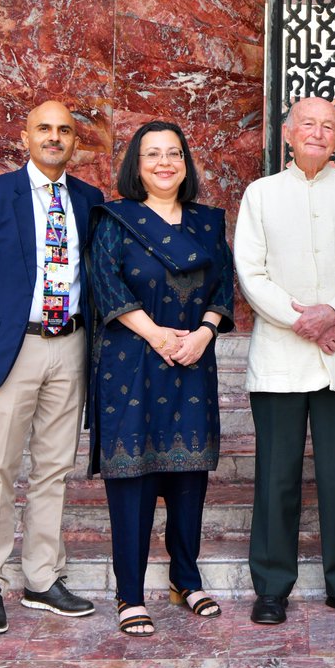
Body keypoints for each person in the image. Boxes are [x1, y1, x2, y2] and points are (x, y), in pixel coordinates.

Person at [234, 97, 335, 625]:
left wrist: (334, 312)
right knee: (275, 476)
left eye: (329, 126)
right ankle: (272, 586)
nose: (318, 133)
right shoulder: (261, 195)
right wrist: (306, 322)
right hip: (280, 358)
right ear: (288, 133)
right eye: (308, 124)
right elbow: (251, 274)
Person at [0, 100, 103, 634]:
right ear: (25, 136)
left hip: (71, 346)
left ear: (74, 142)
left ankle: (42, 578)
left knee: (54, 468)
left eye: (64, 130)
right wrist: (0, 324)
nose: (54, 137)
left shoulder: (89, 199)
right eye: (44, 128)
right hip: (13, 347)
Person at [87, 121, 235, 636]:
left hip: (193, 360)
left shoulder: (208, 223)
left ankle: (185, 580)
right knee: (134, 476)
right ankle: (129, 594)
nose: (165, 162)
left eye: (174, 153)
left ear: (187, 163)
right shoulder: (115, 219)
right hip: (132, 360)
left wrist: (203, 335)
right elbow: (104, 284)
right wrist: (157, 335)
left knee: (188, 476)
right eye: (153, 154)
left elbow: (225, 287)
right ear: (137, 164)